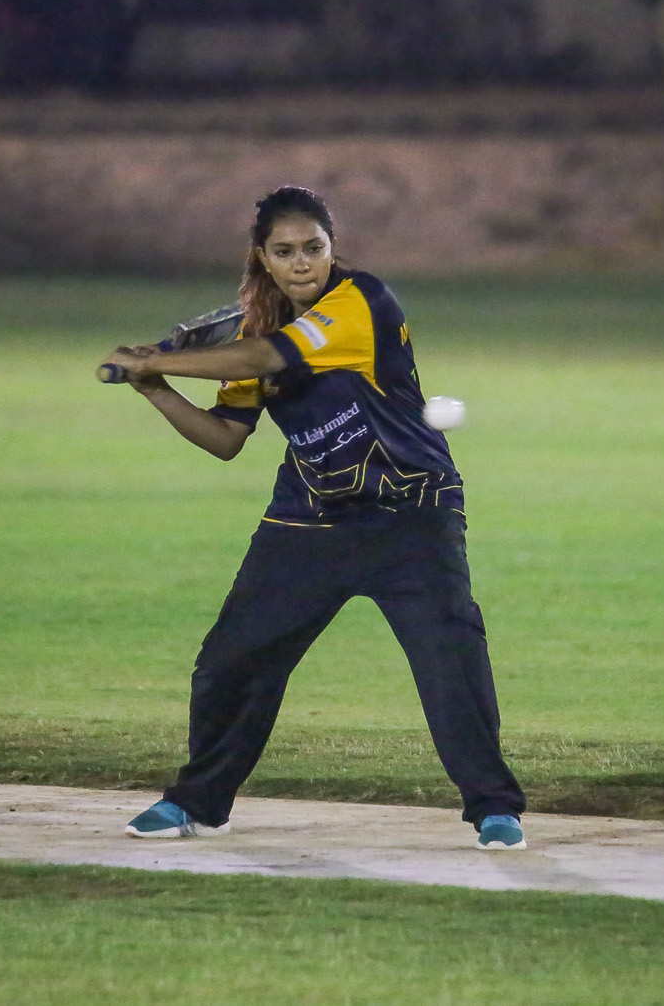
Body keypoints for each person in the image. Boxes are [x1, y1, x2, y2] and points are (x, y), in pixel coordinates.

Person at [102, 186, 527, 850]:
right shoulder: (254, 330)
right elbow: (224, 438)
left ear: (333, 249)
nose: (301, 262)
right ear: (262, 257)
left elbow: (268, 358)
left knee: (450, 659)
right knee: (231, 662)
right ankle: (196, 802)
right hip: (308, 519)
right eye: (284, 251)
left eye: (314, 247)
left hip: (410, 513)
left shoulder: (362, 301)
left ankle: (495, 808)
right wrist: (155, 388)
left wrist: (155, 358)